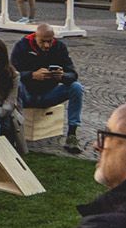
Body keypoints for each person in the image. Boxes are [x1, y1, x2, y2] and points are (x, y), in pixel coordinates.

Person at [12, 23, 85, 153]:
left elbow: (73, 74)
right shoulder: (22, 46)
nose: (46, 45)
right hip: (26, 94)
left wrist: (62, 76)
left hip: (49, 94)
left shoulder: (59, 47)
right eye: (43, 42)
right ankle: (16, 131)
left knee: (76, 87)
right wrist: (32, 75)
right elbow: (11, 73)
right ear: (35, 37)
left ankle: (72, 134)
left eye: (49, 41)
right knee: (16, 84)